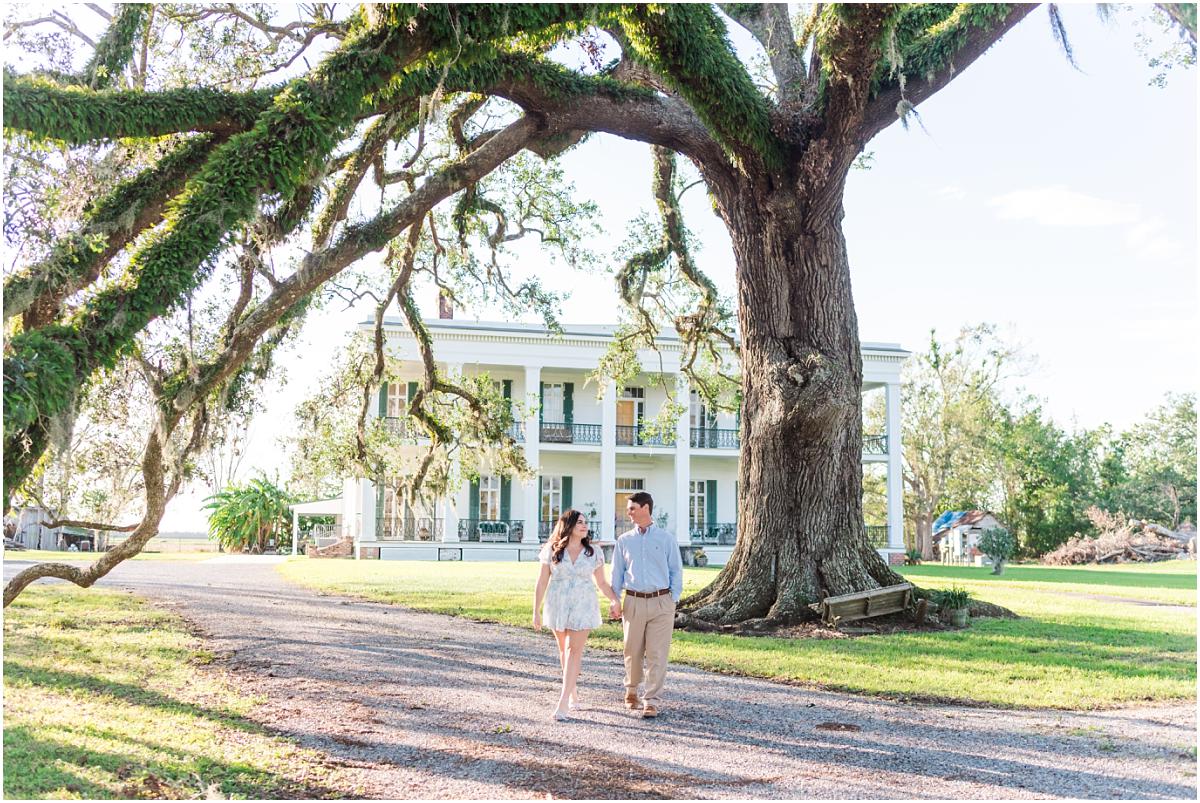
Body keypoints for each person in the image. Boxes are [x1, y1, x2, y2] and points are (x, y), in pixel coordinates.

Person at [532, 508, 621, 721]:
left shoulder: (594, 552)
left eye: (585, 522)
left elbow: (601, 582)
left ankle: (562, 703)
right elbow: (542, 581)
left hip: (583, 605)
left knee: (573, 650)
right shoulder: (552, 550)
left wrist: (614, 599)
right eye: (579, 522)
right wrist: (536, 610)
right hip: (558, 604)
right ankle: (572, 692)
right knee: (563, 650)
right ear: (568, 525)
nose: (584, 525)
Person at [609, 491, 683, 719]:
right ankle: (631, 690)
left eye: (632, 508)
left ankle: (650, 700)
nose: (628, 512)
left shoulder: (666, 539)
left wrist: (673, 599)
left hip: (662, 602)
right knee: (632, 650)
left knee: (657, 653)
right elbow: (617, 573)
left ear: (645, 508)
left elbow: (675, 570)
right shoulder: (624, 541)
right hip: (633, 601)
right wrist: (615, 600)